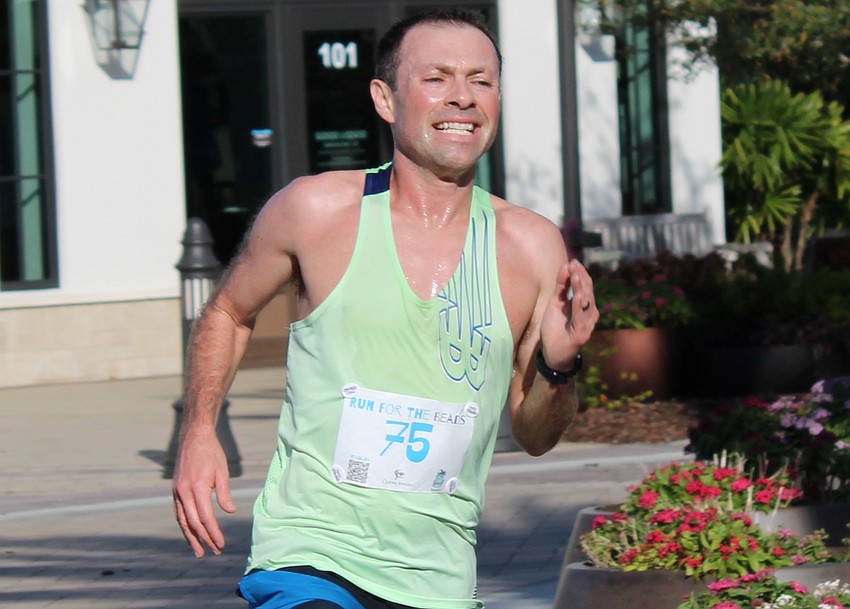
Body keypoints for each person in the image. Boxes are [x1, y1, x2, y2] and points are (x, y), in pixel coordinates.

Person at [172, 8, 599, 609]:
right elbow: (226, 312)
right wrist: (199, 431)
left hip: (439, 576)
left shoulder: (530, 246)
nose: (463, 98)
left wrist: (559, 365)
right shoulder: (316, 211)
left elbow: (535, 435)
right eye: (437, 79)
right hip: (311, 553)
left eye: (482, 81)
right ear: (385, 98)